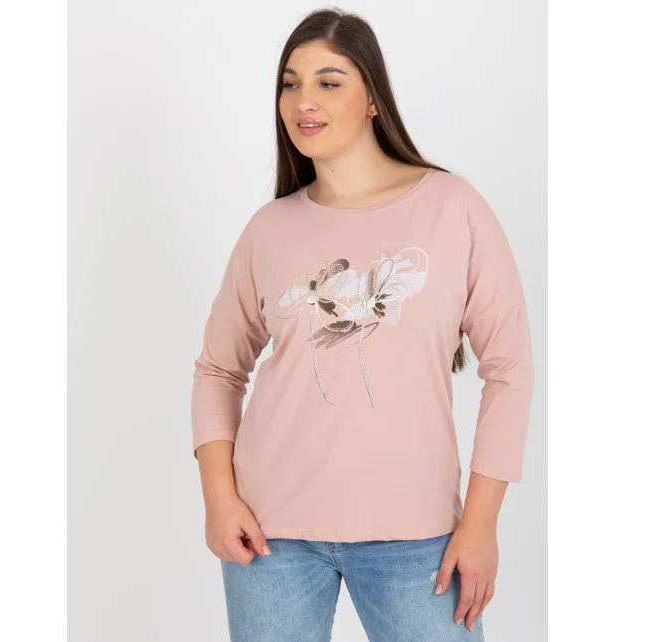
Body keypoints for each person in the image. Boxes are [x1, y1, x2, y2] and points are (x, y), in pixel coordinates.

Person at [191, 8, 535, 642]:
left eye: (329, 82)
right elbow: (218, 368)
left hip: (418, 538)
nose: (304, 101)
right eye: (290, 84)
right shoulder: (269, 228)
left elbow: (509, 370)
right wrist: (219, 496)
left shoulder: (452, 207)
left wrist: (482, 523)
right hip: (271, 537)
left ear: (373, 98)